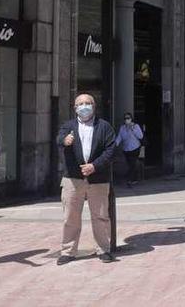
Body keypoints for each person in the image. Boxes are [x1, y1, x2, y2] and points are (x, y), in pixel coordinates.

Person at [55, 94, 117, 265]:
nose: (84, 106)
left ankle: (104, 249)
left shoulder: (104, 126)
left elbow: (111, 150)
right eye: (80, 104)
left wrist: (95, 166)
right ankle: (68, 251)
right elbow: (58, 140)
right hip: (73, 179)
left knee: (101, 216)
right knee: (70, 217)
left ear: (94, 106)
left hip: (98, 178)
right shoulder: (68, 126)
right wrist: (65, 140)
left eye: (88, 103)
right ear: (75, 108)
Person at [115, 113, 144, 186]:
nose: (127, 120)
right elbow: (119, 137)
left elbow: (140, 136)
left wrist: (132, 129)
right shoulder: (122, 128)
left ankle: (129, 180)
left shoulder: (135, 126)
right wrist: (115, 144)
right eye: (125, 118)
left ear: (131, 119)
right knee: (130, 164)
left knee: (132, 164)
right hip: (126, 149)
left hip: (135, 148)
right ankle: (134, 177)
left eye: (128, 118)